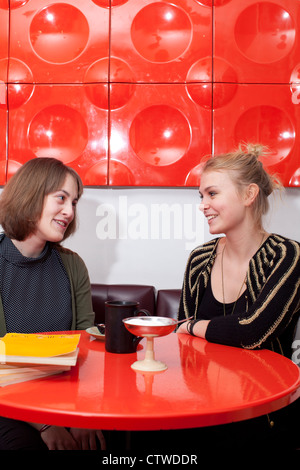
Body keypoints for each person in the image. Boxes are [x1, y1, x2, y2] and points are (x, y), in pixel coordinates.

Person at [176, 144, 300, 449]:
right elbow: (183, 346)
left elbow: (253, 331)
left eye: (212, 194)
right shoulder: (199, 259)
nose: (203, 205)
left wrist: (193, 326)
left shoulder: (286, 255)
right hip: (203, 409)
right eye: (201, 196)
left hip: (263, 415)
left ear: (248, 195)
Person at [0, 157, 106, 450]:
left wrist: (84, 414)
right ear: (30, 194)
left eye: (74, 202)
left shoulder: (72, 265)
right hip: (5, 401)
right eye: (61, 198)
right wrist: (45, 423)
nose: (69, 211)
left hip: (64, 397)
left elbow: (86, 347)